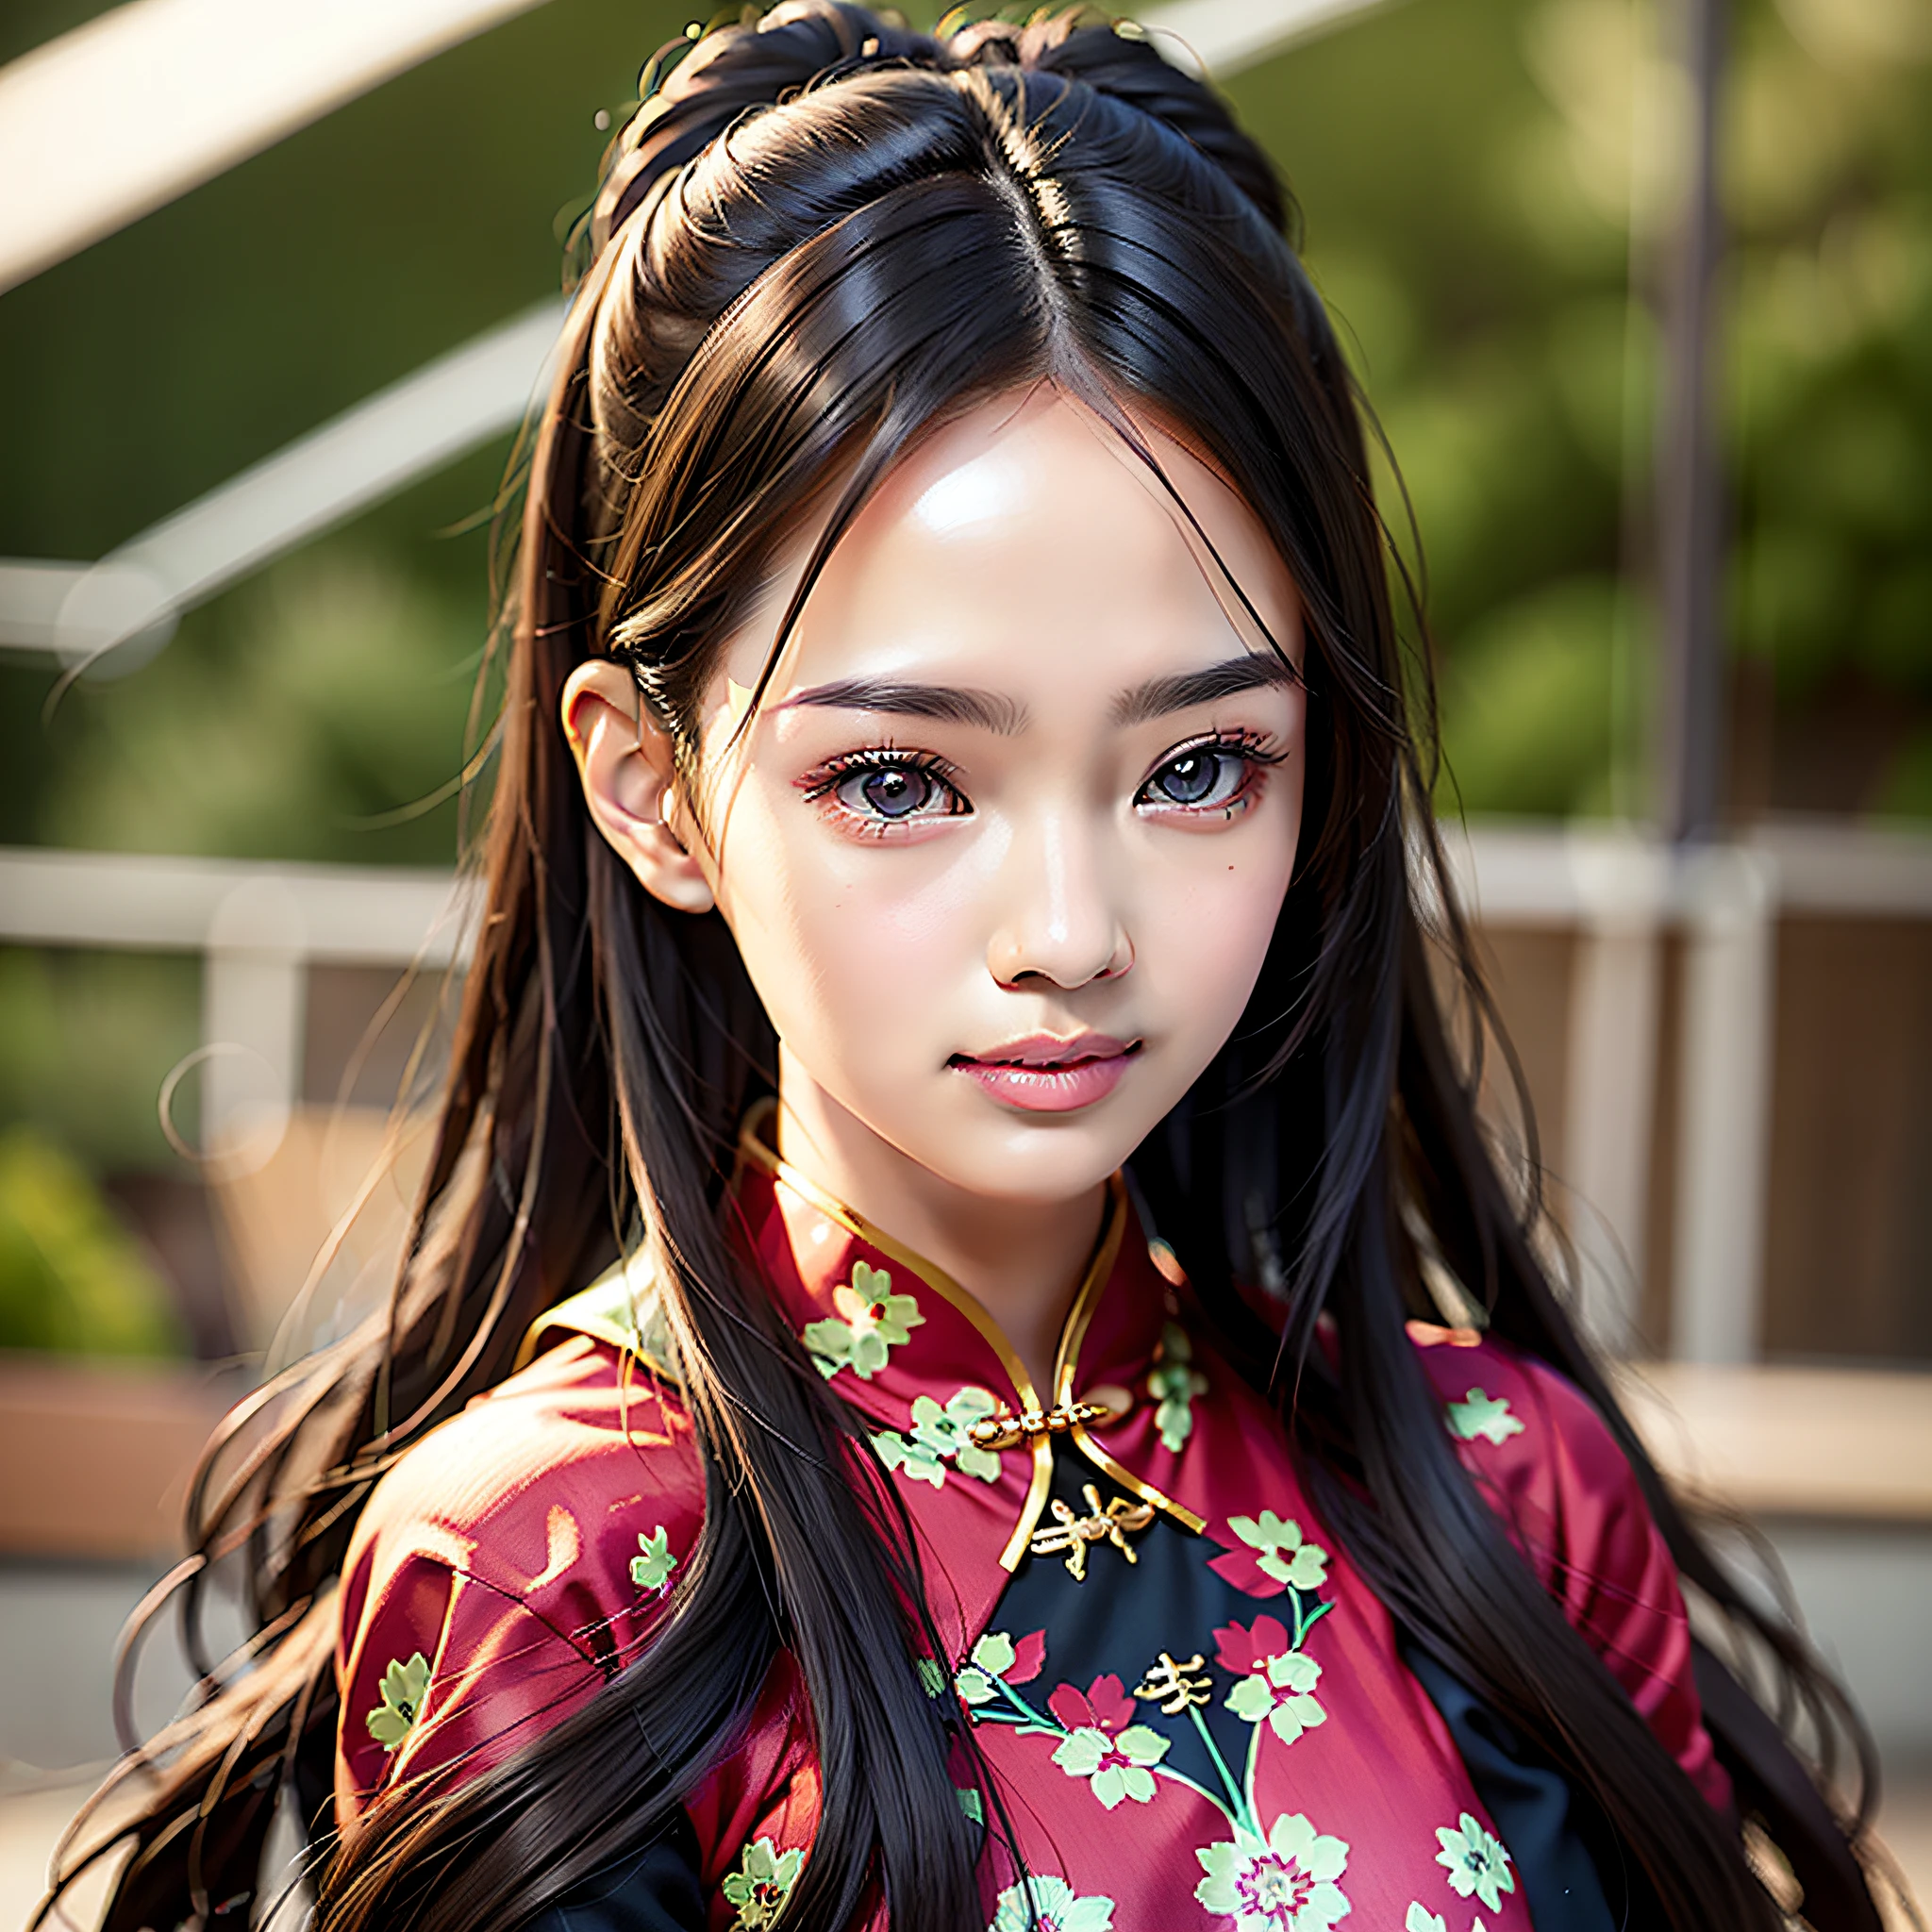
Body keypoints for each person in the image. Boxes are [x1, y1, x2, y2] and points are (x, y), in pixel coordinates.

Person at [48, 7, 1890, 1930]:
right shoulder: (565, 1561)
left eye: (1198, 766)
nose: (1071, 934)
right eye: (902, 778)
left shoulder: (1511, 1498)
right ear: (651, 788)